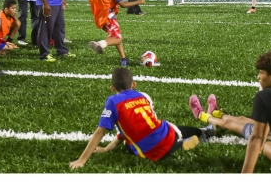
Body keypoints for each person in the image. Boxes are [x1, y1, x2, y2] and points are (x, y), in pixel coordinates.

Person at [69, 67, 200, 169]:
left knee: (129, 143)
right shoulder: (142, 96)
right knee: (174, 129)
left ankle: (181, 145)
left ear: (112, 88)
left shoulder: (113, 101)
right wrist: (106, 149)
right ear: (133, 85)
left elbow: (100, 132)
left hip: (153, 152)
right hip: (167, 132)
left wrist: (82, 160)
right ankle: (204, 131)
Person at [73, 0, 146, 66]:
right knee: (118, 38)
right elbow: (123, 4)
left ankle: (124, 58)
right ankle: (100, 44)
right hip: (109, 17)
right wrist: (138, 2)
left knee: (115, 36)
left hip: (98, 18)